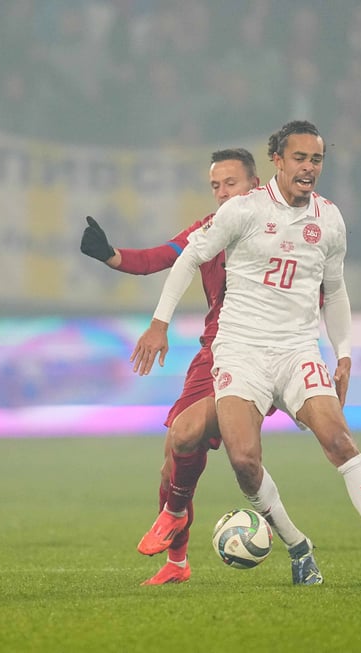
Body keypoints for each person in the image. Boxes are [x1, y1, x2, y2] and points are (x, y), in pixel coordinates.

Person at [132, 121, 361, 586]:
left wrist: (344, 354)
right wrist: (160, 323)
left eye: (316, 159)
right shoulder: (243, 211)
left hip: (297, 350)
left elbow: (335, 290)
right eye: (300, 158)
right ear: (278, 161)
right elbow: (188, 257)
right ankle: (299, 546)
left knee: (340, 441)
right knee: (244, 461)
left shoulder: (330, 220)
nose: (309, 168)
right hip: (241, 352)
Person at [81, 148, 322, 586]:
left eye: (230, 183)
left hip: (257, 353)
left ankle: (176, 514)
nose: (222, 193)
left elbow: (315, 291)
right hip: (211, 351)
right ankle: (177, 563)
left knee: (188, 432)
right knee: (171, 460)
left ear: (254, 185)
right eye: (215, 186)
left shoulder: (283, 229)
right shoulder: (210, 229)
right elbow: (160, 258)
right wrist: (109, 254)